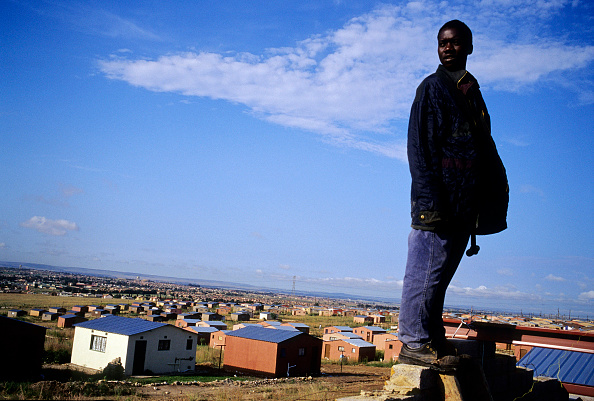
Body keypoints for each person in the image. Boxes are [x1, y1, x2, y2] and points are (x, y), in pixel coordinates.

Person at [398, 20, 508, 369]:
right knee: (423, 273)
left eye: (456, 43)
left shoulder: (471, 90)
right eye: (442, 43)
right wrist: (431, 204)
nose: (448, 48)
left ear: (469, 47)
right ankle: (413, 343)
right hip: (438, 205)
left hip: (465, 207)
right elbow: (420, 150)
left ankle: (431, 338)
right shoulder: (432, 88)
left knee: (440, 278)